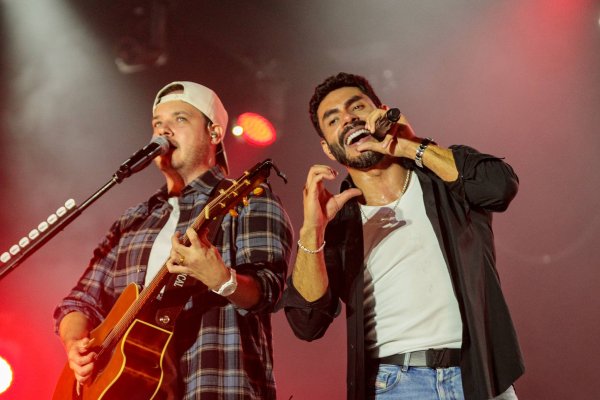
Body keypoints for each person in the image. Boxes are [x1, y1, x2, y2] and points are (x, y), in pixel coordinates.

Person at [281, 72, 524, 400]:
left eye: (357, 107)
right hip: (397, 384)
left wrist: (409, 145)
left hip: (480, 376)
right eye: (333, 119)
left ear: (382, 112)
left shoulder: (444, 179)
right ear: (328, 148)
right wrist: (313, 229)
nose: (349, 119)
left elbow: (498, 187)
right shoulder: (338, 226)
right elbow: (307, 322)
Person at [53, 81, 293, 399]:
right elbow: (79, 301)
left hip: (213, 385)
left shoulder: (249, 199)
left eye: (180, 119)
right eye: (157, 123)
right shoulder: (133, 220)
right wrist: (76, 345)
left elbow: (270, 291)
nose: (163, 130)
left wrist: (222, 279)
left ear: (214, 133)